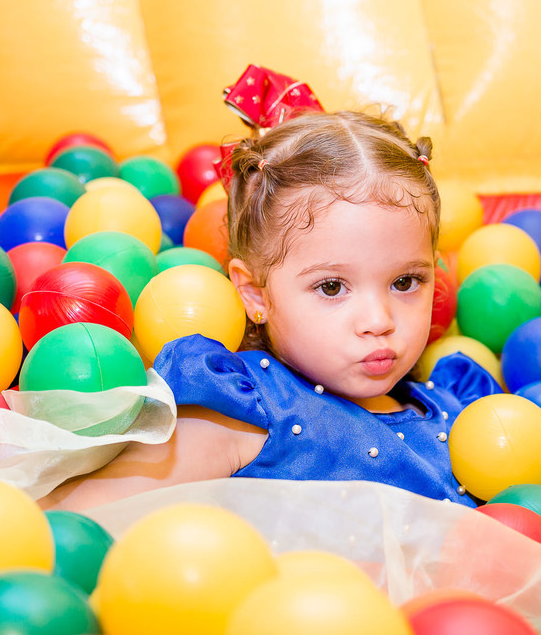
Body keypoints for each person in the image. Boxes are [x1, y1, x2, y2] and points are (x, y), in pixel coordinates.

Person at [41, 109, 502, 511]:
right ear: (256, 294)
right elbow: (84, 514)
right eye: (332, 286)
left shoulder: (457, 411)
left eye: (405, 282)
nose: (379, 321)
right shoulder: (248, 412)